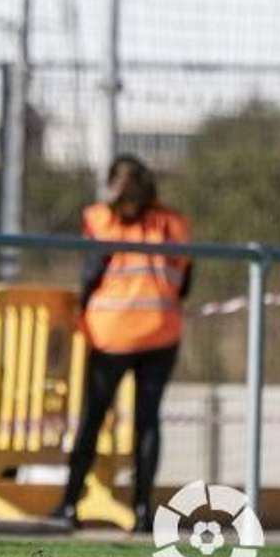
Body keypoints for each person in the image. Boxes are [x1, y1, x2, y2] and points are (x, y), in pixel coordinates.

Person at [53, 154, 191, 534]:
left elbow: (91, 272)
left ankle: (68, 504)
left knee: (93, 417)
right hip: (161, 331)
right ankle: (143, 512)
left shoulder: (101, 218)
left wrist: (82, 307)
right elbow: (185, 280)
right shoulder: (173, 222)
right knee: (147, 421)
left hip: (110, 333)